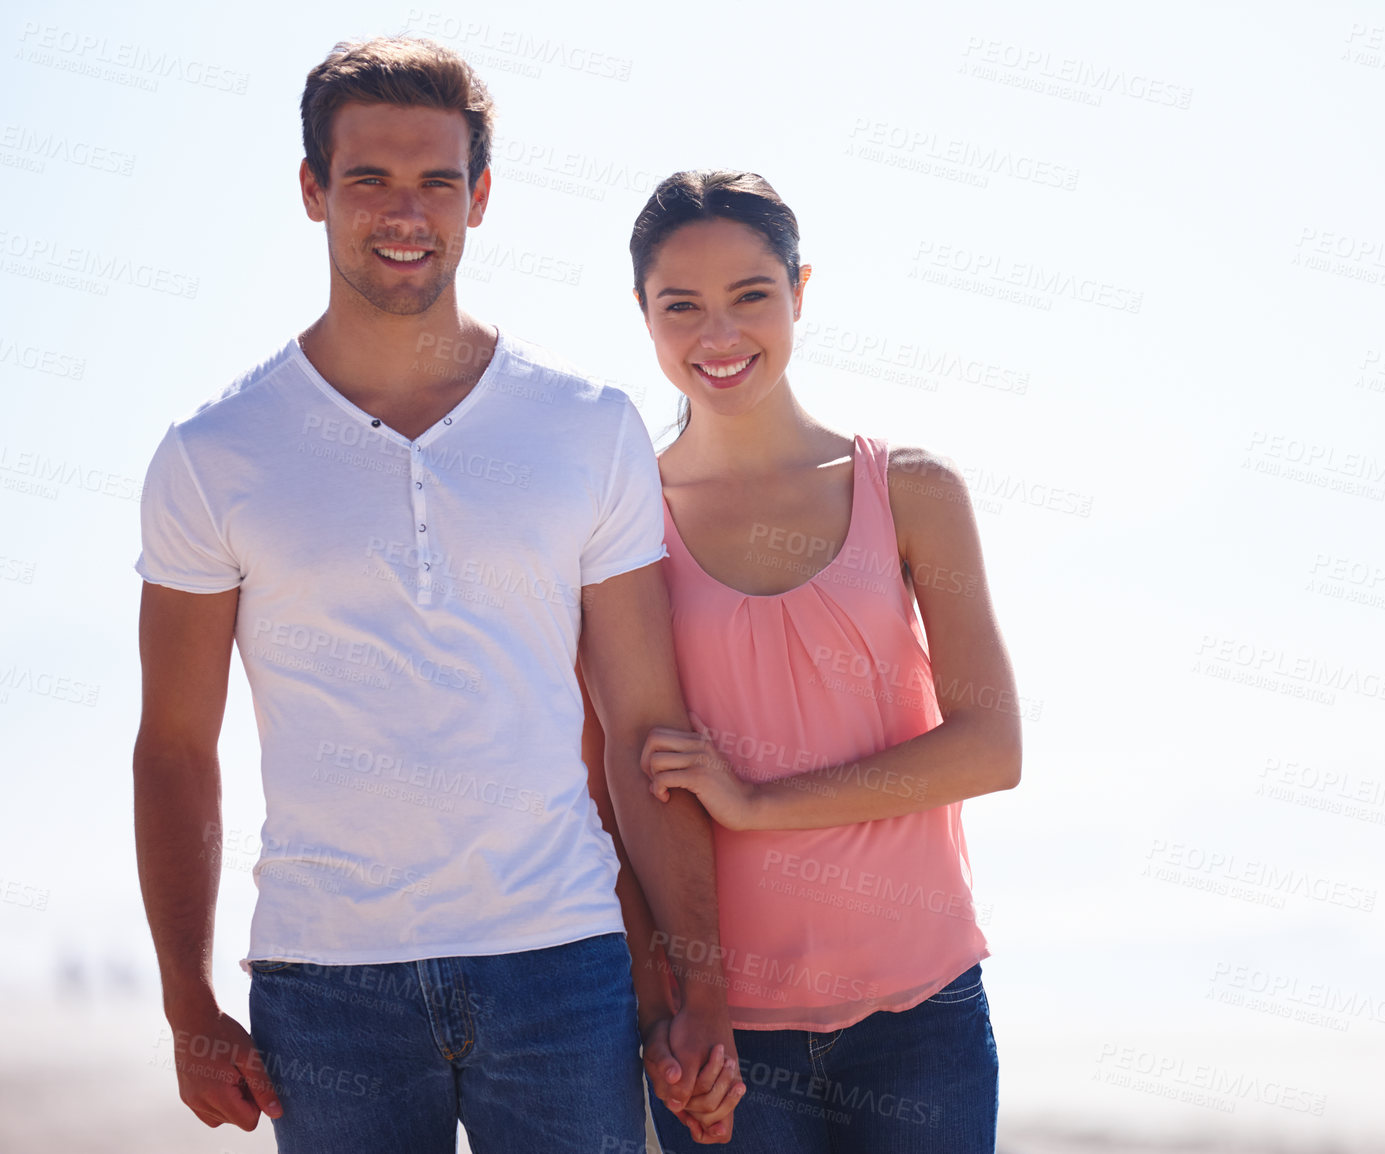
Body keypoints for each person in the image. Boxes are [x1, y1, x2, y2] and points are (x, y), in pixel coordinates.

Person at [131, 39, 744, 1151]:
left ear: (481, 196)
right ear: (313, 189)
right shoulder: (213, 455)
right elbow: (174, 745)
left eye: (436, 181)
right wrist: (186, 1001)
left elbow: (646, 731)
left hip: (562, 961)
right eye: (367, 177)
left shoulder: (586, 429)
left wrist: (695, 983)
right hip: (324, 984)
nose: (403, 211)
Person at [616, 170, 1022, 1153]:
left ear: (800, 290)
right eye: (682, 306)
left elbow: (989, 747)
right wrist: (658, 1007)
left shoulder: (912, 490)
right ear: (643, 314)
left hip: (922, 1008)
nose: (718, 334)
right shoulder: (622, 519)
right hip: (728, 1033)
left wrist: (757, 799)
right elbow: (612, 779)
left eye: (751, 295)